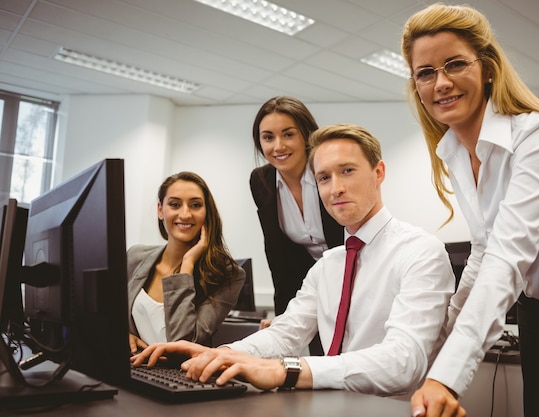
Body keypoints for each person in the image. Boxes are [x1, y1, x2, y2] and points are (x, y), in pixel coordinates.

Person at [401, 4, 539, 417]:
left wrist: (447, 375)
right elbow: (485, 250)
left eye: (454, 64)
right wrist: (437, 342)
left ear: (486, 68)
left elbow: (509, 257)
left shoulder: (538, 136)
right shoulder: (452, 151)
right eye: (426, 72)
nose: (442, 82)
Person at [132, 124, 455, 396]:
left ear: (378, 172)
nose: (336, 188)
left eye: (347, 171)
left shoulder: (419, 251)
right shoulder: (328, 265)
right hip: (328, 406)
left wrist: (284, 370)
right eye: (324, 178)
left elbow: (404, 361)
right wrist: (221, 354)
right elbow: (286, 333)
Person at [249, 96, 343, 355]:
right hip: (309, 286)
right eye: (268, 137)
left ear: (306, 135)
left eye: (288, 134)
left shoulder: (328, 171)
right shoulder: (262, 181)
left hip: (353, 274)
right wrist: (283, 319)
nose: (278, 146)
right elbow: (278, 257)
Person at [127, 171, 245, 353]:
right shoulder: (136, 257)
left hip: (179, 378)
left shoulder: (228, 274)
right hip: (133, 369)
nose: (185, 214)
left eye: (195, 205)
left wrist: (187, 265)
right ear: (160, 210)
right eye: (174, 204)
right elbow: (109, 316)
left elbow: (184, 342)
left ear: (207, 212)